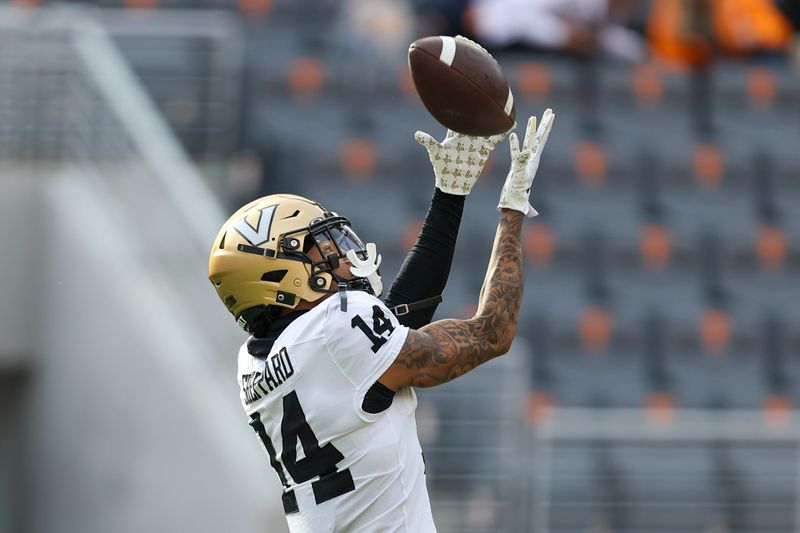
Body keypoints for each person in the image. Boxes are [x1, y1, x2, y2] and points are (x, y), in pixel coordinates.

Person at [207, 110, 554, 532]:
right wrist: (512, 210)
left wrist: (450, 193)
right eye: (320, 249)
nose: (339, 254)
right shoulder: (337, 329)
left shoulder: (256, 362)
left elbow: (395, 317)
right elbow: (494, 333)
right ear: (279, 275)